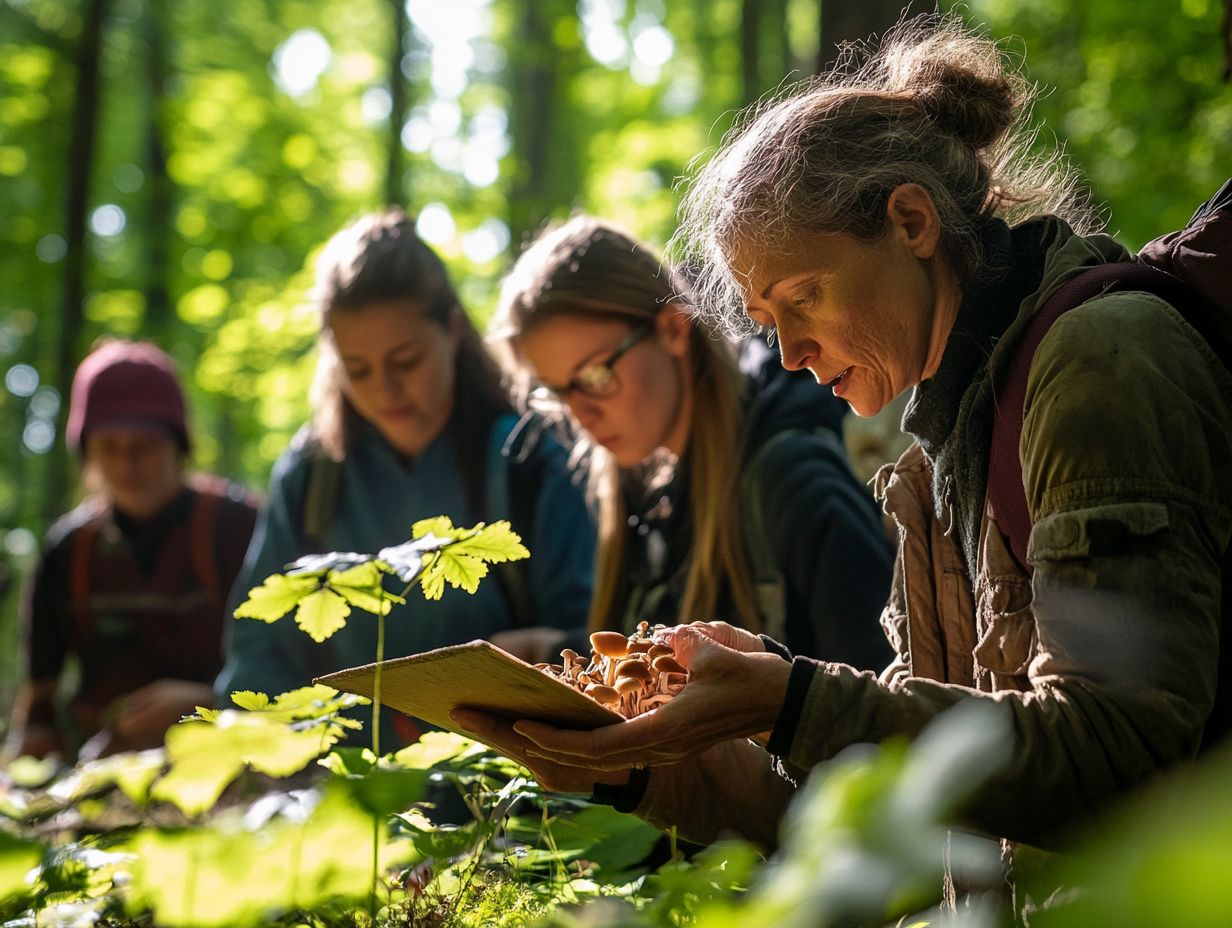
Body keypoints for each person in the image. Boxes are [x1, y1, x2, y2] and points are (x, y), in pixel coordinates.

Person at [451, 11, 1232, 893]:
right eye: (765, 323)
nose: (787, 354)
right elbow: (906, 821)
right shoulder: (932, 460)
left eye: (804, 297)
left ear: (911, 221)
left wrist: (791, 701)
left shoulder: (1099, 365)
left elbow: (1120, 751)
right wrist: (653, 763)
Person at [215, 208, 596, 749]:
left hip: (510, 786)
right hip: (342, 793)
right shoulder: (312, 474)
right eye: (359, 369)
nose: (386, 390)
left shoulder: (526, 454)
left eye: (406, 360)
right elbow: (260, 650)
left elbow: (584, 631)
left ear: (453, 329)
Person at [486, 215, 894, 669]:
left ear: (673, 329)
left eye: (595, 376)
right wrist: (555, 651)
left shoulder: (791, 481)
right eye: (559, 392)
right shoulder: (647, 501)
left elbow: (878, 699)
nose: (581, 414)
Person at [5, 339, 259, 763]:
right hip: (101, 764)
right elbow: (41, 695)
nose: (127, 465)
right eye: (109, 448)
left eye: (144, 446)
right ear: (87, 453)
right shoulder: (68, 552)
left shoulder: (238, 528)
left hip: (228, 756)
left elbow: (288, 668)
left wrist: (209, 699)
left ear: (178, 446)